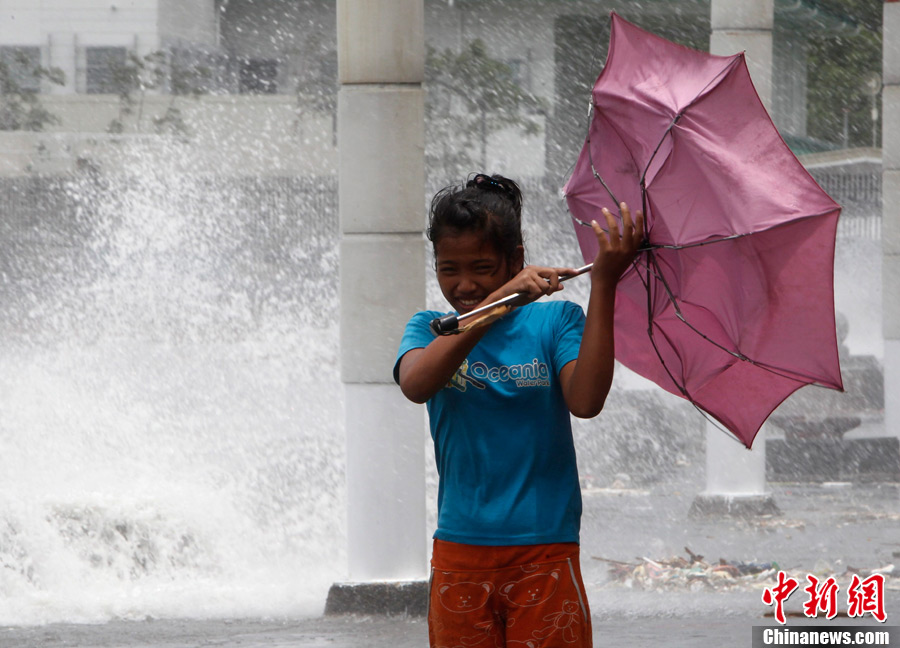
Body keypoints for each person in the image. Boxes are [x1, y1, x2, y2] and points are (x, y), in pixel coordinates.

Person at [393, 173, 643, 648]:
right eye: (449, 269)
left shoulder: (556, 320)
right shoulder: (430, 328)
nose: (464, 284)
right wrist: (494, 307)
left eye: (483, 268)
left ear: (517, 260)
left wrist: (605, 282)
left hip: (545, 548)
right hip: (459, 552)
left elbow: (586, 402)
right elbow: (417, 385)